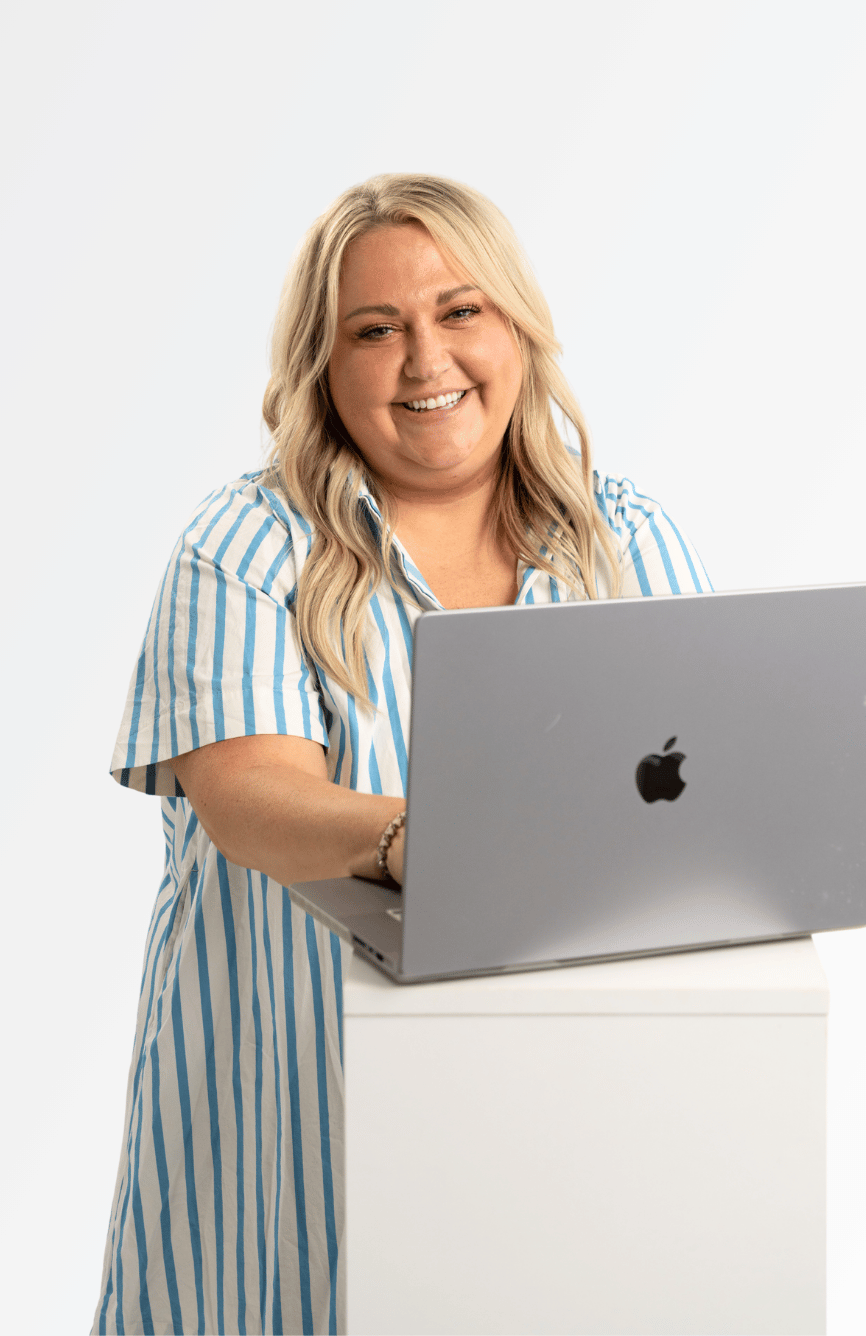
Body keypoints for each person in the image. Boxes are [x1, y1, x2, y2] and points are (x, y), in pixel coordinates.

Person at [92, 173, 710, 1335]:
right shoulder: (245, 547)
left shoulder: (628, 540)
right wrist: (417, 841)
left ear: (517, 328)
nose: (426, 359)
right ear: (324, 368)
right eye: (376, 330)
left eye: (460, 312)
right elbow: (249, 798)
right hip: (293, 1128)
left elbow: (702, 793)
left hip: (568, 1120)